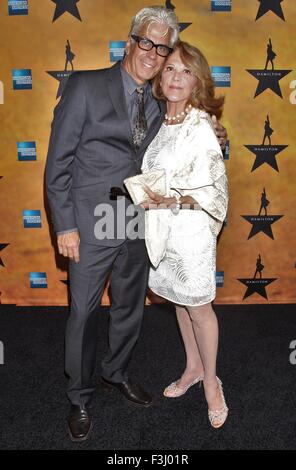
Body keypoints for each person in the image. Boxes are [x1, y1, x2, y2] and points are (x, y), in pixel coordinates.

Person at [45, 6, 227, 442]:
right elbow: (57, 164)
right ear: (130, 41)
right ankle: (80, 395)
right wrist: (64, 226)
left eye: (163, 47)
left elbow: (192, 135)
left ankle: (117, 372)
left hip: (139, 216)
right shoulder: (85, 86)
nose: (154, 52)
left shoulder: (162, 98)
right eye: (147, 41)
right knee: (84, 311)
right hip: (92, 218)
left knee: (129, 306)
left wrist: (221, 135)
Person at [140, 41, 229, 428]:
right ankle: (192, 368)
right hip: (164, 231)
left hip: (191, 234)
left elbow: (214, 189)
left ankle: (212, 383)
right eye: (171, 68)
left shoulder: (201, 125)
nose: (177, 77)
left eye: (186, 71)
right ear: (161, 75)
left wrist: (171, 199)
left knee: (199, 308)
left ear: (197, 81)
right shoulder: (158, 121)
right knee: (178, 300)